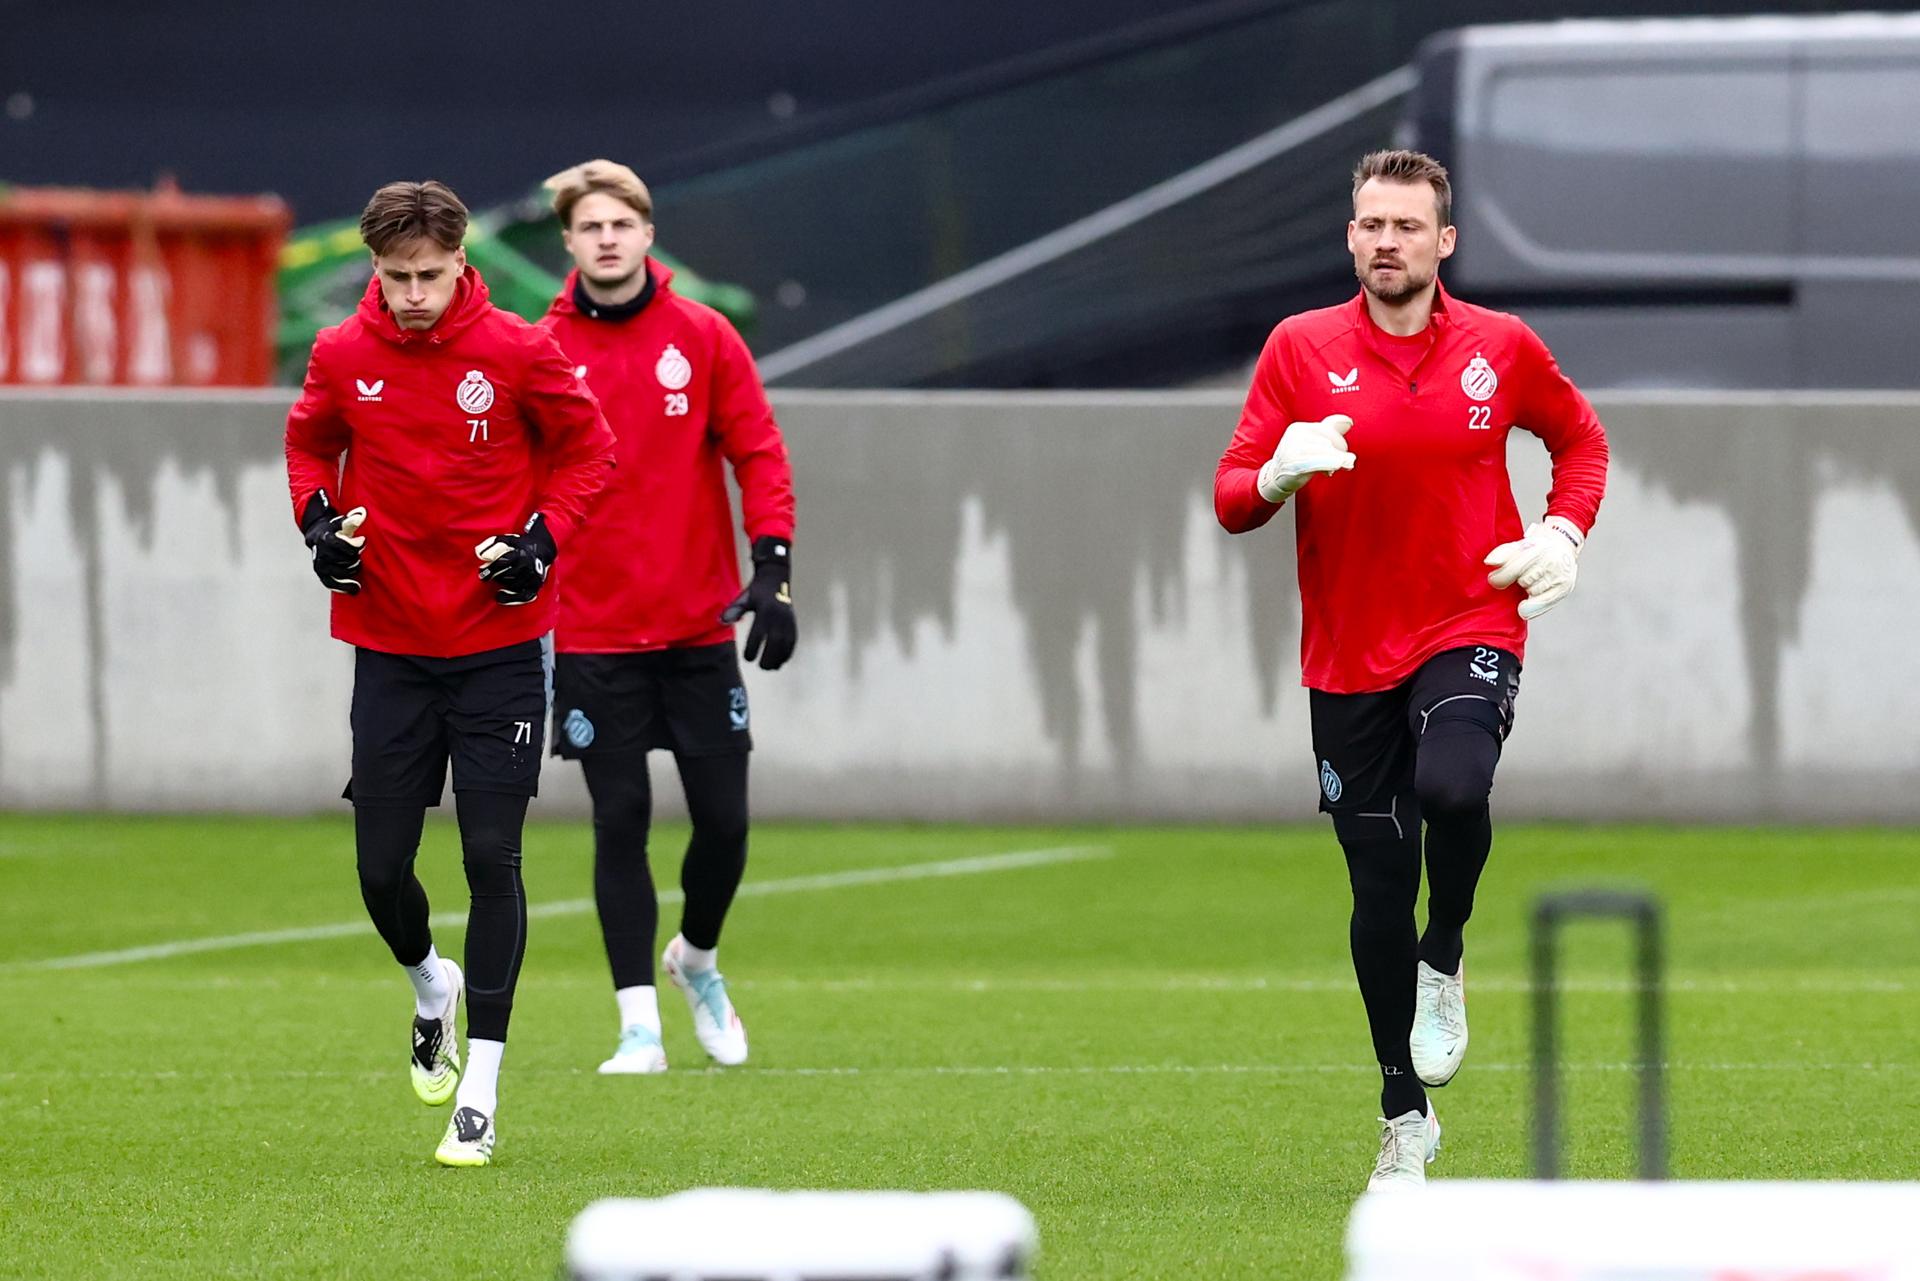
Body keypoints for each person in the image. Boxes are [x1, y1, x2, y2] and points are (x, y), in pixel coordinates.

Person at [1213, 150, 1609, 1191]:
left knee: (1455, 784)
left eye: (1405, 226)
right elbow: (1231, 495)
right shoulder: (1299, 349)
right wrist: (1277, 470)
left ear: (1444, 242)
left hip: (1470, 614)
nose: (1385, 242)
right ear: (1351, 237)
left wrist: (1563, 532)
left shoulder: (1500, 347)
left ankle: (1450, 948)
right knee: (1374, 890)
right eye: (1369, 225)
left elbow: (1581, 438)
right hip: (1347, 651)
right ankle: (1404, 1111)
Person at [285, 179, 616, 1166]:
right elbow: (310, 443)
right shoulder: (343, 353)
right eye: (397, 278)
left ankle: (484, 1088)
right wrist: (315, 526)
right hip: (389, 645)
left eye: (431, 274)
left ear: (462, 260)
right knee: (381, 869)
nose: (416, 294)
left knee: (492, 858)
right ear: (374, 271)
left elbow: (590, 452)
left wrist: (542, 542)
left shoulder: (518, 349)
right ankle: (432, 981)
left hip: (501, 649)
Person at [536, 160, 796, 1074]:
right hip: (595, 632)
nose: (606, 238)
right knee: (622, 817)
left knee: (725, 823)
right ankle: (637, 1024)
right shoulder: (540, 349)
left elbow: (757, 452)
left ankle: (697, 959)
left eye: (622, 223)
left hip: (696, 627)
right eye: (589, 226)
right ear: (568, 242)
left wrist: (774, 566)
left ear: (648, 234)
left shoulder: (704, 335)